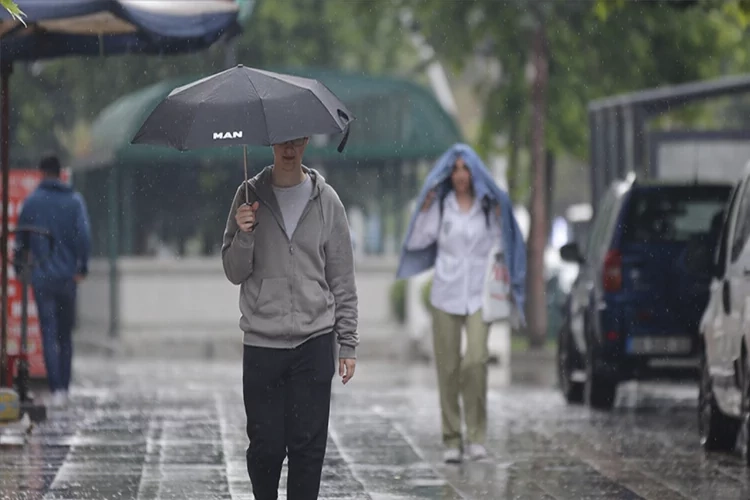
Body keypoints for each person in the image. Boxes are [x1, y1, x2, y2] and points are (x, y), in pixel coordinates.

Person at [221, 137, 358, 500]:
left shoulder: (327, 201)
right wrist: (244, 233)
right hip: (263, 344)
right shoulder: (248, 195)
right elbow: (233, 271)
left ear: (307, 141)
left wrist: (348, 342)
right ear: (270, 142)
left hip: (314, 342)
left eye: (297, 140)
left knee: (308, 450)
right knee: (265, 449)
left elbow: (342, 278)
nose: (289, 149)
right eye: (282, 140)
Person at [397, 144, 526, 464]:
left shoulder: (487, 206)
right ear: (448, 175)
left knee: (476, 360)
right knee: (449, 368)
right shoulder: (442, 206)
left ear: (474, 172)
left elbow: (504, 242)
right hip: (446, 294)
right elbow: (416, 242)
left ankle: (477, 436)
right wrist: (425, 208)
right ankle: (452, 438)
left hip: (480, 295)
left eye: (465, 169)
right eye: (454, 170)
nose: (460, 175)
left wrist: (500, 213)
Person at [14, 154, 91, 408]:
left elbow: (20, 240)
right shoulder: (75, 201)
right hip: (68, 279)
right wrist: (82, 266)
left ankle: (56, 388)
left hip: (42, 277)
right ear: (59, 173)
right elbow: (84, 236)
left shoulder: (33, 202)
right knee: (65, 334)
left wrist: (19, 268)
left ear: (42, 172)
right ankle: (66, 389)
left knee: (48, 332)